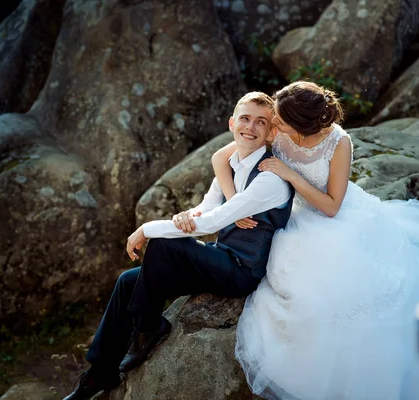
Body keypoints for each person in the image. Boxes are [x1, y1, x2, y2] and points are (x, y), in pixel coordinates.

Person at [209, 81, 419, 400]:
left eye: (279, 120)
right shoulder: (276, 129)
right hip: (295, 216)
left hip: (334, 215)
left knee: (354, 280)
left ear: (300, 124)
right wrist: (232, 203)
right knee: (291, 281)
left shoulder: (339, 142)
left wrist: (290, 174)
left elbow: (331, 206)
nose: (271, 124)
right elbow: (219, 158)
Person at [63, 91, 295, 400]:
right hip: (220, 258)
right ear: (231, 123)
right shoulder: (232, 162)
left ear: (270, 132)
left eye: (260, 122)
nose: (251, 127)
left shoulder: (269, 179)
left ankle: (148, 328)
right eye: (245, 118)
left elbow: (214, 223)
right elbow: (207, 208)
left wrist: (148, 228)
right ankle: (98, 375)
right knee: (127, 281)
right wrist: (189, 215)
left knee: (163, 243)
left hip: (242, 271)